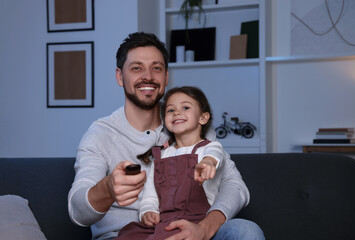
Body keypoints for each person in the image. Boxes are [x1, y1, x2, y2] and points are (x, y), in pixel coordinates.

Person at [68, 32, 265, 240]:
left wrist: (204, 229)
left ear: (166, 77)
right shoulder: (101, 134)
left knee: (246, 231)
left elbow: (235, 186)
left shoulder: (188, 121)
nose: (148, 76)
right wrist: (107, 189)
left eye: (157, 68)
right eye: (136, 68)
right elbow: (77, 211)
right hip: (126, 235)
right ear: (119, 76)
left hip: (192, 230)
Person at [116, 86, 226, 239]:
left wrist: (208, 162)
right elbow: (151, 195)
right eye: (170, 110)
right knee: (129, 234)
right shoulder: (161, 155)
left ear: (203, 117)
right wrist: (148, 211)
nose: (177, 113)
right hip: (165, 221)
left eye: (185, 107)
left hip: (196, 220)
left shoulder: (209, 148)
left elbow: (215, 155)